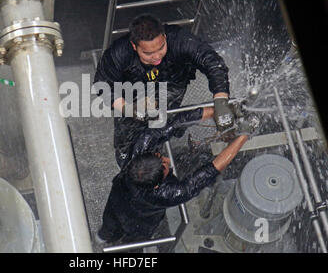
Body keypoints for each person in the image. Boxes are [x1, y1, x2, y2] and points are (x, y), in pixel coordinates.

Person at [94, 14, 234, 169]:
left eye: (161, 48)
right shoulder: (119, 53)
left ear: (165, 37)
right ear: (134, 46)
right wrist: (128, 108)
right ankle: (127, 158)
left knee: (167, 119)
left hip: (171, 85)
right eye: (148, 53)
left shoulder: (180, 39)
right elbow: (102, 85)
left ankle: (163, 142)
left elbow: (212, 61)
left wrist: (221, 99)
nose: (156, 56)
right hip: (132, 96)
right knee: (128, 135)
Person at [96, 119, 256, 249]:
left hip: (115, 204)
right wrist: (243, 136)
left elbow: (172, 125)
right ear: (157, 185)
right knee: (134, 242)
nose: (167, 160)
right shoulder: (167, 194)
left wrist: (216, 108)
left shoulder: (135, 158)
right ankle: (119, 246)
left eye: (161, 158)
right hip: (141, 223)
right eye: (165, 165)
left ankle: (101, 238)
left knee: (109, 224)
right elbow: (211, 170)